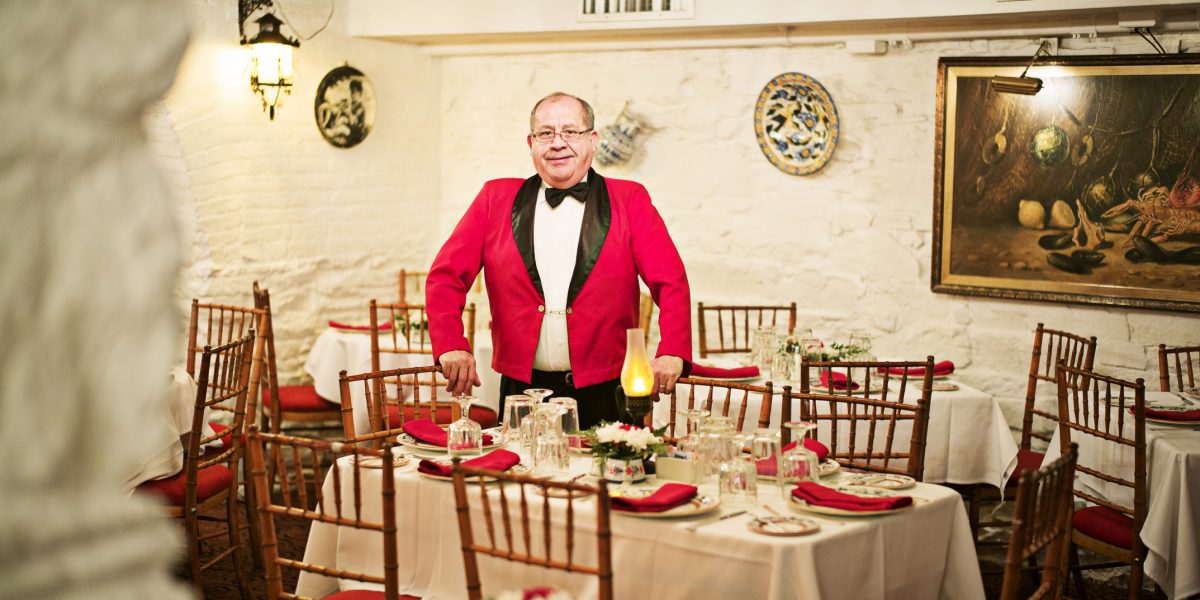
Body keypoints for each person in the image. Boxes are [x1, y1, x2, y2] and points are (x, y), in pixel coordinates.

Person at [426, 92, 692, 429]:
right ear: (531, 143)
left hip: (607, 390)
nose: (557, 143)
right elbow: (445, 276)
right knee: (518, 465)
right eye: (546, 133)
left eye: (570, 131)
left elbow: (671, 281)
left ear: (592, 140)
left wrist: (672, 351)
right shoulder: (495, 198)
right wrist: (450, 344)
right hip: (522, 392)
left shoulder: (630, 200)